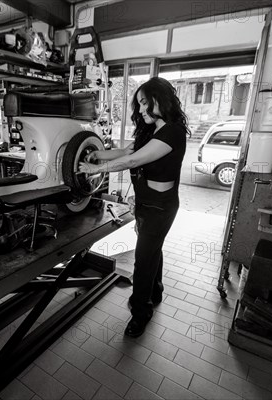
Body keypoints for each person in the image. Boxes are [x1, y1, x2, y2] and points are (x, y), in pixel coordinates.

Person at [79, 77, 188, 337]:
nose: (139, 110)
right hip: (145, 204)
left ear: (158, 100)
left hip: (160, 209)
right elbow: (127, 151)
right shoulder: (153, 131)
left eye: (143, 103)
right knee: (153, 251)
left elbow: (134, 160)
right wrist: (98, 153)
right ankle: (156, 290)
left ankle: (140, 312)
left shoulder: (172, 131)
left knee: (143, 260)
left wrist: (97, 169)